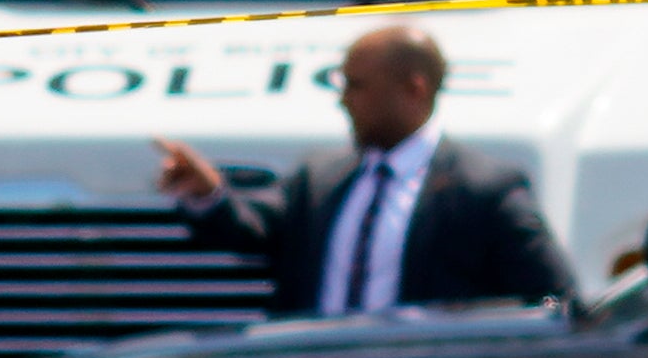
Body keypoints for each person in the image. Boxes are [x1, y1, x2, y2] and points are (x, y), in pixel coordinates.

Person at [151, 23, 575, 319]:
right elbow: (251, 229)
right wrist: (208, 193)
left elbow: (554, 301)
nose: (343, 101)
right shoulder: (320, 179)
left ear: (414, 88)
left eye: (356, 85)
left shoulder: (482, 189)